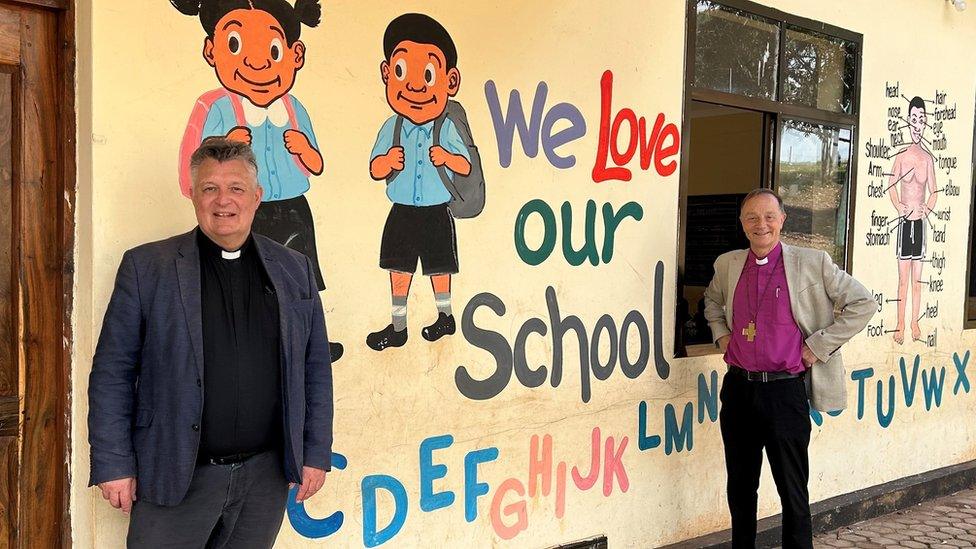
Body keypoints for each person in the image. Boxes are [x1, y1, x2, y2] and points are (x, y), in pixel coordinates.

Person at [88, 138, 333, 548]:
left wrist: (315, 452)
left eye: (236, 188)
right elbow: (112, 371)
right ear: (192, 194)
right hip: (175, 473)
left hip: (264, 479)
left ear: (257, 197)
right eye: (210, 188)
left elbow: (315, 368)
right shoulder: (148, 267)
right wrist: (113, 462)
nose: (223, 201)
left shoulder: (294, 269)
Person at [172, 0, 343, 361]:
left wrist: (303, 148)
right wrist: (224, 143)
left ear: (296, 55)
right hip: (243, 208)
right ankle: (252, 337)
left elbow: (315, 163)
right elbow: (192, 162)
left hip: (294, 206)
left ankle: (313, 337)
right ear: (211, 50)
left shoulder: (294, 108)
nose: (257, 62)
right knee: (247, 272)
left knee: (304, 272)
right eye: (235, 45)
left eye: (273, 49)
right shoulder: (214, 106)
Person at [703, 189, 874, 548]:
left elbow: (863, 303)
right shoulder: (728, 264)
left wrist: (816, 347)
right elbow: (712, 303)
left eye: (768, 216)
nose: (760, 224)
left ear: (782, 220)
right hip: (739, 390)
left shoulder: (813, 263)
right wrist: (722, 338)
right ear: (742, 223)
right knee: (740, 487)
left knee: (792, 489)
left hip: (784, 392)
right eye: (751, 217)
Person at [366, 13, 472, 351]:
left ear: (450, 81)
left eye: (427, 74)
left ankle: (445, 315)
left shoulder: (445, 127)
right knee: (398, 267)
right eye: (401, 72)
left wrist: (447, 157)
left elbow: (465, 165)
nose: (414, 86)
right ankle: (398, 326)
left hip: (436, 210)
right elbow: (375, 167)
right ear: (387, 74)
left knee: (439, 265)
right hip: (402, 210)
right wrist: (386, 162)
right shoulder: (392, 127)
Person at [888, 95, 938, 344]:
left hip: (920, 225)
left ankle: (914, 322)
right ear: (908, 121)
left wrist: (926, 211)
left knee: (917, 280)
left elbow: (935, 192)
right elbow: (891, 186)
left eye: (922, 120)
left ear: (925, 123)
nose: (917, 124)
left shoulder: (928, 160)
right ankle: (899, 325)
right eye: (914, 119)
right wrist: (900, 208)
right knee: (903, 280)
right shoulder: (901, 157)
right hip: (905, 223)